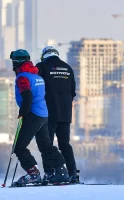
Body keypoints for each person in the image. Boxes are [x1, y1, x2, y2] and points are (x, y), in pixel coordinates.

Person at [10, 49, 69, 186]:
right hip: (44, 115)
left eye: (13, 61)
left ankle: (34, 174)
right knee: (46, 146)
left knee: (19, 147)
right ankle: (61, 171)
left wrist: (23, 112)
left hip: (33, 115)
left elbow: (27, 96)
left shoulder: (22, 77)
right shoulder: (37, 77)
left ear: (17, 62)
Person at [36, 46, 79, 183]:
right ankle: (73, 173)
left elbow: (35, 87)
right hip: (66, 114)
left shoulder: (42, 66)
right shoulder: (68, 68)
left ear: (44, 56)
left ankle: (50, 173)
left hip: (48, 113)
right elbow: (73, 93)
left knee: (46, 144)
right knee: (65, 144)